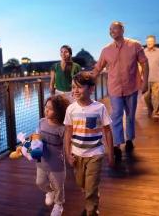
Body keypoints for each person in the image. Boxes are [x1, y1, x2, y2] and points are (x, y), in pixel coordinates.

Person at [91, 21, 149, 161]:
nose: (111, 31)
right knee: (116, 115)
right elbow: (98, 68)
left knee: (130, 116)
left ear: (122, 30)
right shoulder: (106, 50)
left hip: (132, 87)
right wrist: (87, 82)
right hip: (115, 88)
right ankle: (117, 144)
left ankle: (129, 139)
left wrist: (145, 81)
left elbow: (144, 63)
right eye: (110, 29)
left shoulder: (134, 45)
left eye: (114, 29)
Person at [64, 72, 114, 216]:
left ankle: (91, 211)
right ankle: (92, 196)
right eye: (73, 87)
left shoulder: (99, 108)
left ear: (91, 89)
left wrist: (111, 154)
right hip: (77, 154)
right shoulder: (71, 109)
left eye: (79, 87)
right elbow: (68, 132)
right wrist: (68, 154)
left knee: (91, 187)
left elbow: (108, 131)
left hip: (95, 153)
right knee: (82, 184)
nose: (75, 90)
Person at [36, 95, 70, 216]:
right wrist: (29, 145)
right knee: (40, 182)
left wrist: (71, 156)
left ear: (58, 112)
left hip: (56, 163)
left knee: (59, 187)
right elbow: (36, 138)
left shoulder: (62, 128)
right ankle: (49, 192)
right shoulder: (41, 122)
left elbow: (67, 145)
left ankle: (58, 204)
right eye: (46, 107)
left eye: (50, 108)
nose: (46, 110)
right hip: (42, 161)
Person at [143, 35, 159, 121]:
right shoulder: (143, 52)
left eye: (151, 41)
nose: (149, 43)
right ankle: (151, 110)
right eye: (148, 41)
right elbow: (139, 64)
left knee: (157, 96)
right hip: (145, 80)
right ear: (146, 42)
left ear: (154, 42)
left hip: (157, 78)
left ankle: (156, 113)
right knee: (146, 97)